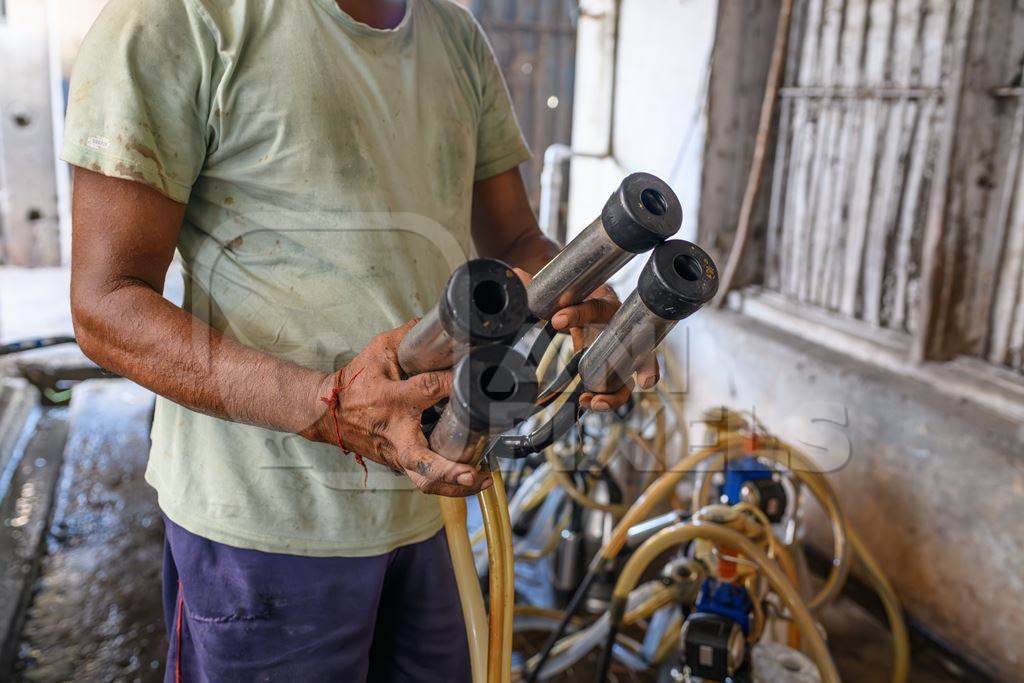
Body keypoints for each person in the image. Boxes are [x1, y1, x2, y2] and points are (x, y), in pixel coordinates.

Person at [64, 0, 657, 679]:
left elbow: (516, 239)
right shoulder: (176, 19)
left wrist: (575, 298)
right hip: (264, 530)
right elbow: (105, 303)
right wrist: (327, 404)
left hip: (431, 506)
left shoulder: (454, 34)